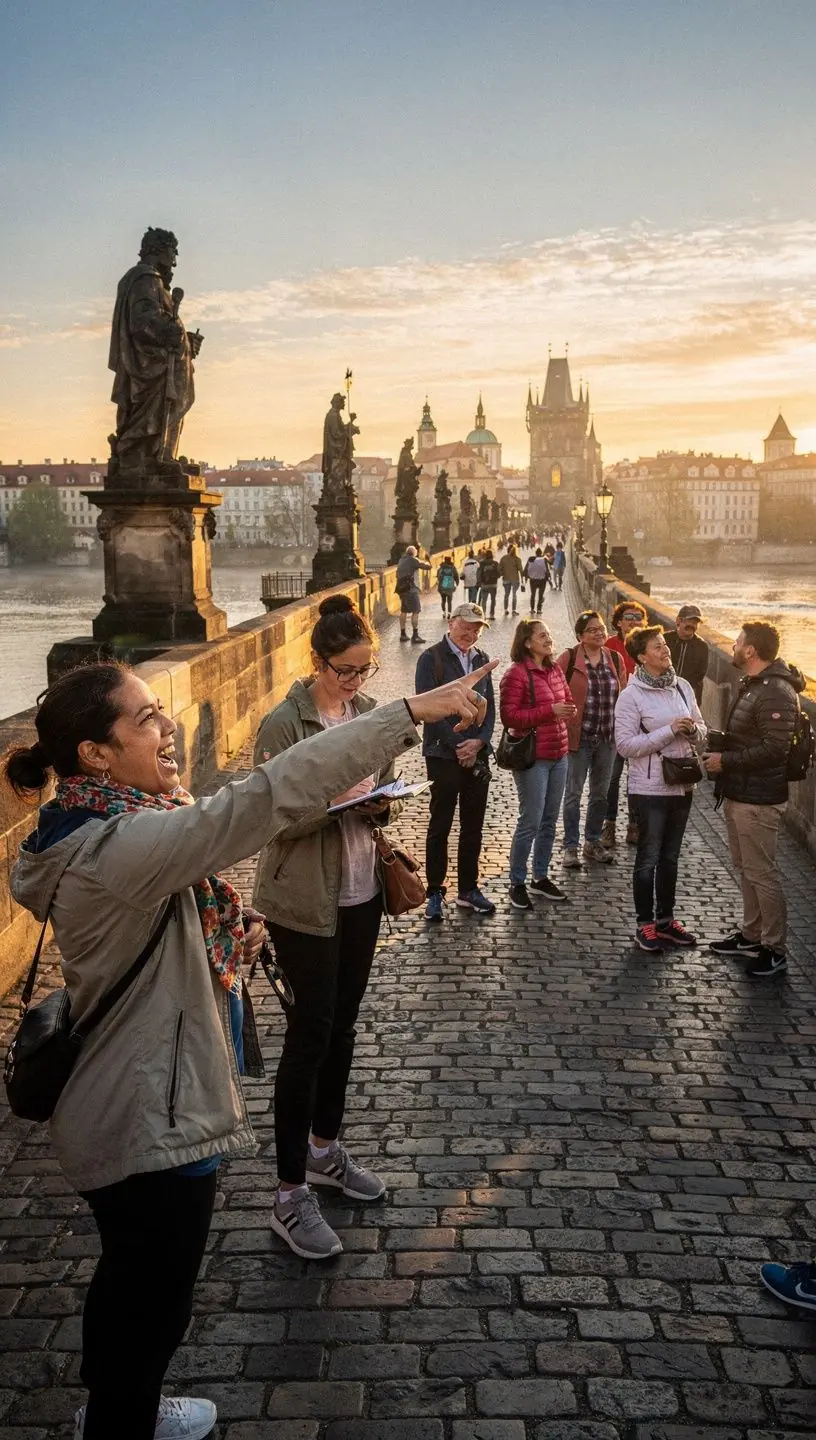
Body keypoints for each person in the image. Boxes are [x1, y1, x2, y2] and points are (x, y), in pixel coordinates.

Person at [4, 656, 494, 1440]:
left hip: (135, 1097)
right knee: (153, 1299)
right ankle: (122, 1418)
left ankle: (117, 1404)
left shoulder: (93, 825)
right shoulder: (120, 847)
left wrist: (221, 941)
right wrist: (407, 713)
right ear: (94, 754)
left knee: (130, 1281)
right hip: (149, 1117)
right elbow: (269, 793)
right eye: (145, 719)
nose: (167, 728)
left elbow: (153, 938)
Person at [253, 597, 400, 1259]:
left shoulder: (368, 713)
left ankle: (325, 1151)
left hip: (361, 890)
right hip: (303, 899)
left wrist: (381, 805)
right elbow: (269, 819)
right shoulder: (283, 724)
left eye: (365, 669)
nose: (356, 681)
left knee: (342, 1027)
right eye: (345, 670)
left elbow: (386, 783)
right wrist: (337, 804)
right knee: (309, 1035)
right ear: (318, 661)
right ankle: (288, 1194)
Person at [704, 621, 804, 979]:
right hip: (741, 792)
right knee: (747, 868)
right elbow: (751, 738)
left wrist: (726, 761)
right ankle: (751, 935)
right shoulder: (756, 684)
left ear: (751, 650)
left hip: (759, 799)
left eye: (738, 642)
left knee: (762, 873)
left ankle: (774, 949)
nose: (733, 646)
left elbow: (775, 749)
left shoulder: (776, 691)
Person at [614, 624, 706, 953]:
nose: (665, 650)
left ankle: (666, 921)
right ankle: (645, 924)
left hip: (682, 784)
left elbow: (702, 729)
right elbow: (625, 745)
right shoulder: (631, 696)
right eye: (657, 646)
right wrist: (669, 730)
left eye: (664, 644)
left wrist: (692, 731)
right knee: (648, 858)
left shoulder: (682, 686)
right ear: (641, 657)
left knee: (670, 858)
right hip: (650, 788)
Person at [415, 603, 497, 919]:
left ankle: (468, 889)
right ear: (451, 623)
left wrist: (481, 742)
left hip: (476, 754)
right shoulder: (431, 658)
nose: (471, 633)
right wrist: (459, 746)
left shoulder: (482, 659)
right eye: (466, 626)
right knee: (440, 824)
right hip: (442, 754)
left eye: (476, 629)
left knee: (473, 826)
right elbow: (427, 709)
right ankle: (435, 892)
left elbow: (490, 708)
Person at [500, 620, 577, 909]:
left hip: (559, 754)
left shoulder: (554, 669)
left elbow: (566, 699)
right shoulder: (516, 674)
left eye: (549, 634)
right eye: (542, 635)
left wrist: (568, 709)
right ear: (527, 642)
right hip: (533, 757)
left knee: (549, 820)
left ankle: (540, 876)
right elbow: (509, 717)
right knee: (530, 820)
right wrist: (550, 710)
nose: (548, 639)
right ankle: (517, 882)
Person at [557, 611, 627, 868]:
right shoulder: (568, 658)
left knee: (600, 794)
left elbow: (623, 696)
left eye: (601, 628)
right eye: (592, 630)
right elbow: (554, 690)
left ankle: (593, 841)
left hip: (607, 737)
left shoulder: (615, 659)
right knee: (573, 794)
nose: (599, 633)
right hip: (579, 738)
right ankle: (570, 846)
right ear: (580, 636)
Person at [602, 600, 648, 849]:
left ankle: (634, 824)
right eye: (628, 617)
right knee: (612, 776)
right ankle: (609, 824)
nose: (633, 621)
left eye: (638, 617)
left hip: (642, 722)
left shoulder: (649, 645)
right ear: (619, 622)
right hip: (615, 720)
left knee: (638, 777)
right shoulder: (609, 646)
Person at [664, 605, 709, 705]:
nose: (692, 625)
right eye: (689, 621)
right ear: (678, 621)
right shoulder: (665, 639)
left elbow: (699, 675)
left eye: (695, 623)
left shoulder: (701, 646)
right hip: (663, 692)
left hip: (688, 697)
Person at [396, 544, 431, 644]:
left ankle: (403, 634)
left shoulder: (401, 560)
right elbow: (428, 567)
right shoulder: (413, 560)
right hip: (411, 589)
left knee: (403, 611)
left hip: (402, 589)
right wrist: (427, 560)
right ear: (414, 553)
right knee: (416, 611)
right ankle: (415, 636)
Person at [499, 543, 524, 616]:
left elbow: (499, 569)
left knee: (506, 594)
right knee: (514, 594)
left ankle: (506, 609)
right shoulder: (517, 559)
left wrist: (503, 573)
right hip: (515, 579)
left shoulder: (503, 558)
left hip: (506, 579)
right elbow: (521, 570)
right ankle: (513, 610)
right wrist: (523, 580)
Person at [524, 548, 551, 614]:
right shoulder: (544, 559)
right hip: (542, 580)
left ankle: (532, 609)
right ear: (541, 553)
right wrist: (549, 578)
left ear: (536, 553)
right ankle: (539, 610)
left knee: (533, 595)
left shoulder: (531, 559)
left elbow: (526, 569)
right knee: (540, 595)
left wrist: (526, 578)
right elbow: (547, 569)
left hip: (533, 580)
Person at [477, 549, 500, 619]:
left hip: (484, 585)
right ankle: (492, 614)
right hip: (493, 585)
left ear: (485, 556)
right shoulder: (495, 563)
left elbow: (479, 574)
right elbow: (499, 574)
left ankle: (483, 614)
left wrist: (479, 582)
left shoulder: (481, 563)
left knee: (484, 600)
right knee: (493, 600)